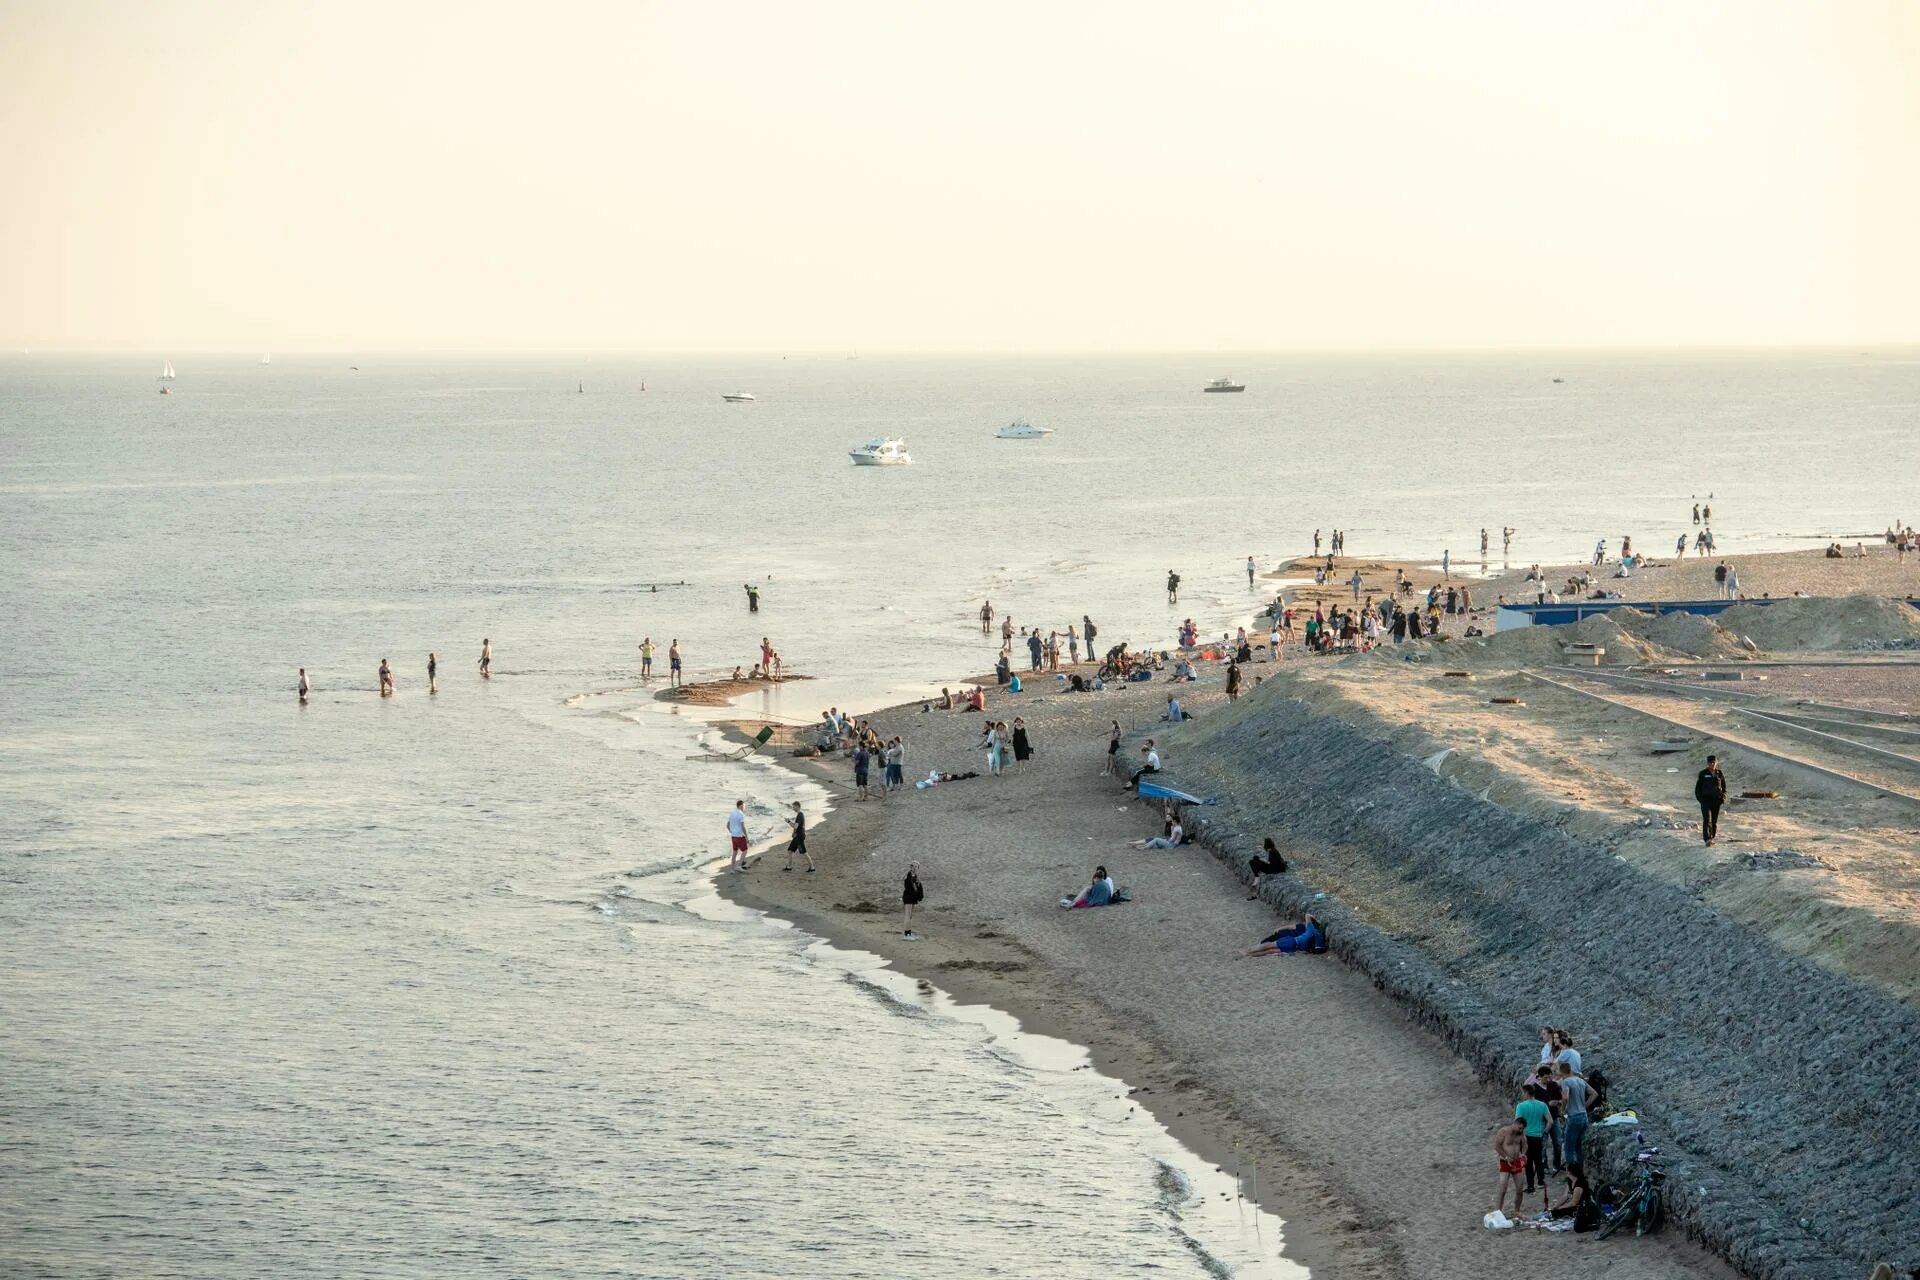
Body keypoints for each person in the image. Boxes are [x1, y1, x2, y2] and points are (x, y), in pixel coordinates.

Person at [1514, 1086, 1552, 1203]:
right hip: (1538, 1136)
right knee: (1538, 1159)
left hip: (1525, 1137)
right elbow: (1550, 1121)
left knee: (1528, 1162)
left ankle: (1531, 1186)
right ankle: (1541, 1181)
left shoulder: (1521, 1106)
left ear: (1526, 1093)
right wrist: (1544, 1131)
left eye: (1522, 1093)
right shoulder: (1542, 1105)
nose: (1522, 1095)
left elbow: (1517, 1123)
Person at [1556, 1060, 1590, 1170]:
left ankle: (1573, 1174)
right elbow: (1594, 1094)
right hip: (1584, 1116)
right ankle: (1580, 1171)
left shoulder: (1566, 1081)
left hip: (1574, 1117)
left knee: (1569, 1148)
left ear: (1562, 1072)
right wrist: (1584, 1106)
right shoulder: (1580, 1081)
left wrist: (1562, 1109)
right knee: (1578, 1147)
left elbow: (1565, 1097)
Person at [1493, 1116, 1528, 1219]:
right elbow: (1497, 1146)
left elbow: (1525, 1145)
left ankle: (1517, 1211)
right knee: (1503, 1188)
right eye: (1520, 1128)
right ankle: (1498, 1212)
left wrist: (1523, 1154)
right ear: (1515, 1124)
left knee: (1520, 1189)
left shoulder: (1521, 1134)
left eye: (1522, 1129)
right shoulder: (1503, 1131)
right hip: (1505, 1162)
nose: (1521, 1130)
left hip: (1517, 1162)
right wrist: (1506, 1156)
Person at [1245, 913, 1323, 955]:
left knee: (1267, 945)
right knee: (1269, 951)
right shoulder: (1319, 936)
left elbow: (1307, 915)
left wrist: (1315, 918)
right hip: (1295, 948)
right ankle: (1250, 954)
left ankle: (1247, 952)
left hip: (1292, 941)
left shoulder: (1309, 929)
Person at [1696, 753, 1727, 846]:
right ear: (1707, 763)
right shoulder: (1703, 774)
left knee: (1714, 821)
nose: (1712, 764)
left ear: (1716, 763)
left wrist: (1723, 797)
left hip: (1716, 801)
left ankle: (1712, 837)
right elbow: (1698, 789)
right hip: (1705, 801)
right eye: (1710, 763)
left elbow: (1724, 787)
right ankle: (1707, 839)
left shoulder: (1719, 773)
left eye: (1713, 762)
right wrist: (1701, 800)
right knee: (1707, 819)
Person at [783, 802, 815, 872]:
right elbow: (796, 827)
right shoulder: (800, 814)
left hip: (799, 837)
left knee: (803, 852)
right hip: (797, 836)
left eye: (794, 807)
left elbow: (795, 826)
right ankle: (789, 866)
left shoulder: (800, 815)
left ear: (798, 806)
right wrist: (793, 832)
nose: (793, 808)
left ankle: (812, 867)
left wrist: (788, 821)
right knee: (790, 850)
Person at [725, 800, 750, 872]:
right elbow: (742, 826)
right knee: (745, 850)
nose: (744, 808)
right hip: (739, 836)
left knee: (735, 852)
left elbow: (727, 825)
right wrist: (746, 837)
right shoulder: (741, 814)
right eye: (744, 806)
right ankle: (739, 866)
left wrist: (732, 832)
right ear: (741, 806)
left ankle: (732, 869)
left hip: (733, 836)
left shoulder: (732, 813)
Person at [902, 862, 924, 939]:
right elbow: (908, 886)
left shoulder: (915, 876)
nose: (914, 868)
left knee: (910, 916)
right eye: (913, 866)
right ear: (910, 867)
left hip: (913, 897)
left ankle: (909, 933)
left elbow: (918, 887)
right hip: (908, 897)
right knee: (907, 916)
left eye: (916, 866)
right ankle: (906, 934)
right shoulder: (908, 875)